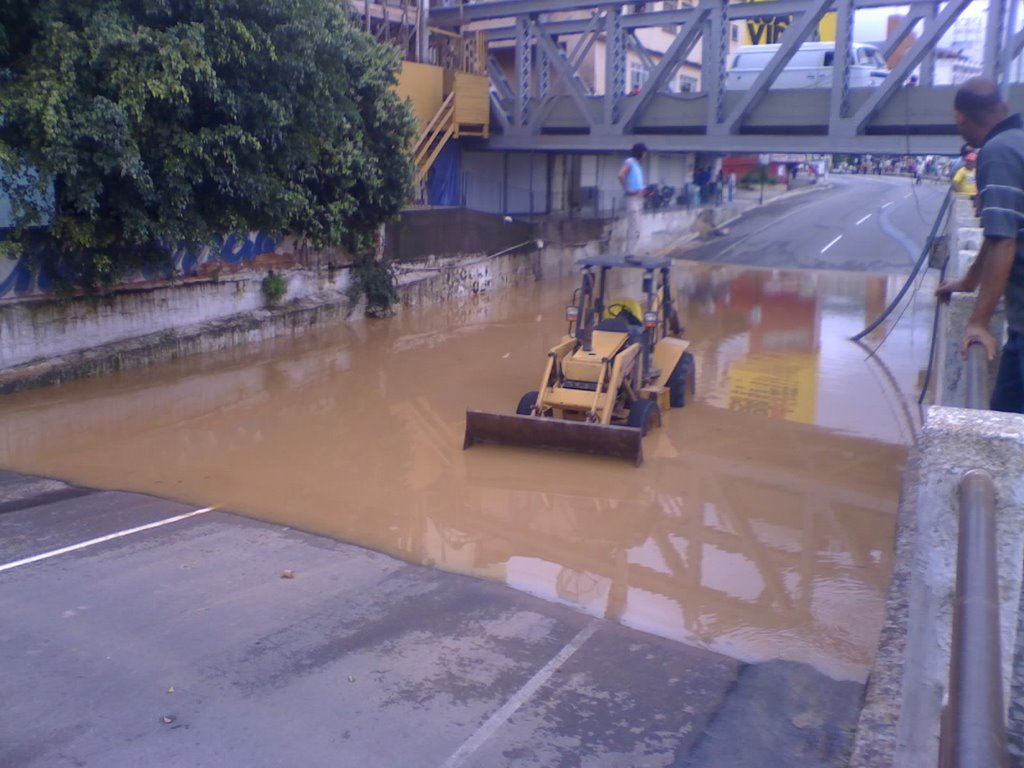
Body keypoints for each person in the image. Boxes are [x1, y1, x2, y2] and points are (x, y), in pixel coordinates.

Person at [936, 77, 1024, 412]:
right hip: (1018, 326)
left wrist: (977, 322)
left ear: (960, 118)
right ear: (1003, 107)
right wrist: (968, 282)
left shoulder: (998, 153)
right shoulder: (1016, 140)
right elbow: (998, 231)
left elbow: (1004, 241)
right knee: (999, 430)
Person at [617, 142, 647, 254]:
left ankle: (631, 251)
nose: (645, 155)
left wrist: (643, 188)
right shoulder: (630, 162)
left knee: (637, 228)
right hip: (632, 199)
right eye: (644, 153)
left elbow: (638, 181)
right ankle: (629, 253)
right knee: (634, 227)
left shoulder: (637, 165)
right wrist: (628, 189)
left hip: (639, 198)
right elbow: (620, 175)